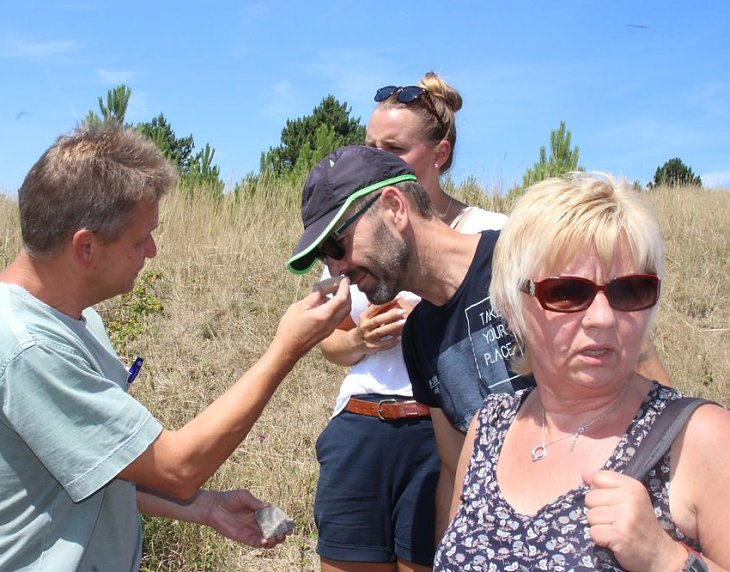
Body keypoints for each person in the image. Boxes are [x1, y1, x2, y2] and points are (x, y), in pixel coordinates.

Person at [0, 122, 350, 571]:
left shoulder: (74, 319)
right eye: (139, 239)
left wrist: (205, 507)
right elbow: (177, 468)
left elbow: (99, 462)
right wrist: (286, 349)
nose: (152, 250)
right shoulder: (26, 347)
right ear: (85, 247)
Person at [435, 172, 730, 570]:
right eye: (567, 292)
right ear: (512, 308)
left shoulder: (700, 437)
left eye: (630, 290)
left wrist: (667, 558)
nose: (603, 318)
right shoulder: (489, 425)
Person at [286, 145, 535, 557]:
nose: (336, 269)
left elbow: (636, 377)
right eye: (325, 258)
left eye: (337, 245)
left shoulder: (520, 261)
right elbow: (453, 471)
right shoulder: (421, 332)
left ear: (395, 208)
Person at [309, 72, 507, 572]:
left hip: (438, 430)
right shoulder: (350, 233)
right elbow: (329, 342)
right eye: (370, 146)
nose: (376, 159)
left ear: (440, 154)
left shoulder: (498, 240)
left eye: (393, 149)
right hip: (362, 421)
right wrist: (361, 338)